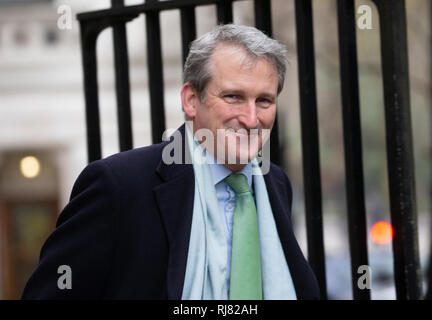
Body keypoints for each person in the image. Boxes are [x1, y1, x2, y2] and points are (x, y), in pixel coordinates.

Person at [22, 24, 319, 300]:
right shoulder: (119, 184)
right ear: (191, 100)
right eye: (233, 97)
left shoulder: (275, 183)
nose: (251, 118)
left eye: (264, 101)